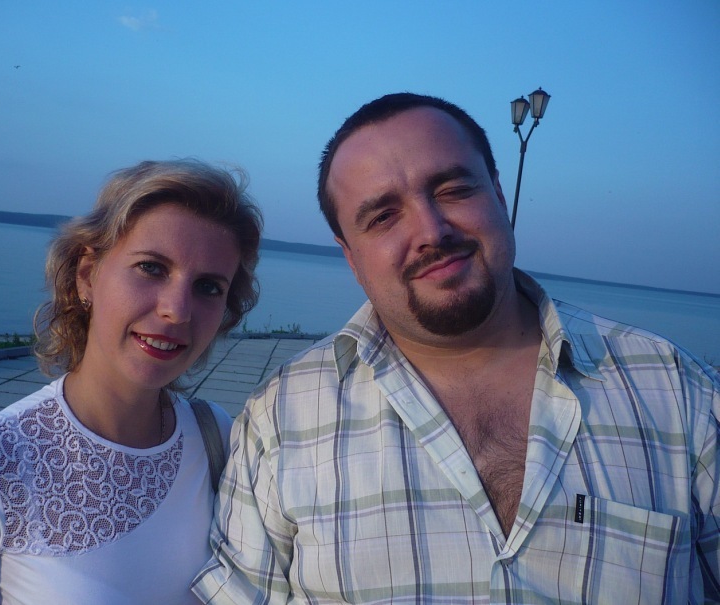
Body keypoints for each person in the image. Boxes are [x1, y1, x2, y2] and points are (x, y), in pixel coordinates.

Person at [192, 93, 720, 603]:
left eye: (453, 190)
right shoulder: (279, 420)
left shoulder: (674, 389)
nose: (430, 231)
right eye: (383, 217)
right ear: (351, 257)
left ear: (499, 195)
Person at [0, 159, 263, 604]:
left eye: (209, 287)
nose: (177, 310)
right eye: (151, 268)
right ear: (87, 276)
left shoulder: (218, 439)